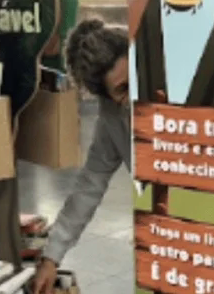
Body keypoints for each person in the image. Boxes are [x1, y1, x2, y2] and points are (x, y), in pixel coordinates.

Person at [32, 18, 130, 294]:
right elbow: (89, 187)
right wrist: (51, 257)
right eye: (122, 89)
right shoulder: (112, 120)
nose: (134, 95)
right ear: (105, 97)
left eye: (135, 77)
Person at [44, 0, 80, 72]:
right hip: (71, 34)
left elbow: (58, 16)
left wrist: (54, 36)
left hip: (59, 34)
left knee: (54, 65)